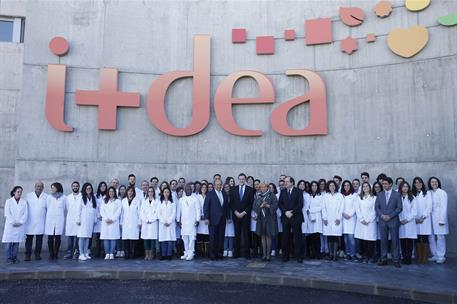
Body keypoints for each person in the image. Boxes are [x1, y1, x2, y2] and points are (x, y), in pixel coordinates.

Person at [375, 177, 402, 268]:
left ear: (390, 184)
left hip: (393, 221)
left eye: (386, 183)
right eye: (383, 184)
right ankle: (383, 259)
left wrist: (390, 216)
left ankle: (396, 259)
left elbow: (399, 208)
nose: (384, 185)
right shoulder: (380, 194)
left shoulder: (397, 194)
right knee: (383, 241)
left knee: (395, 240)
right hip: (382, 221)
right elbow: (377, 207)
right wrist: (382, 216)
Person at [278, 176, 304, 263]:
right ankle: (285, 256)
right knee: (285, 237)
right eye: (285, 181)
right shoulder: (283, 191)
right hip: (285, 217)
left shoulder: (298, 191)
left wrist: (292, 212)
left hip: (296, 217)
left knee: (297, 237)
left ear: (292, 182)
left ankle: (299, 256)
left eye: (287, 181)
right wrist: (285, 212)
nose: (285, 183)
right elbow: (280, 204)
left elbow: (300, 204)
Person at [230, 173, 255, 259]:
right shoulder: (233, 189)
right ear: (238, 179)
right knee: (237, 235)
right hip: (236, 215)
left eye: (243, 179)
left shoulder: (250, 190)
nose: (241, 180)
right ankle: (236, 253)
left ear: (245, 180)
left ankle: (247, 254)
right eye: (240, 179)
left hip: (245, 216)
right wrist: (236, 212)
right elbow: (232, 203)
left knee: (246, 235)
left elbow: (251, 203)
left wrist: (244, 212)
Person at [204, 179, 229, 260]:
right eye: (217, 185)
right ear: (214, 185)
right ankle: (212, 254)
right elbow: (206, 207)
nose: (218, 186)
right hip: (212, 219)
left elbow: (226, 207)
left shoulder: (224, 194)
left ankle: (219, 253)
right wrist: (206, 218)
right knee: (213, 238)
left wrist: (228, 217)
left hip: (222, 220)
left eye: (220, 185)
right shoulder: (210, 194)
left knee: (221, 237)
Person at [2, 186, 28, 264]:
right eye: (18, 192)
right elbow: (7, 213)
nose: (20, 193)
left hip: (19, 226)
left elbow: (26, 214)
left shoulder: (24, 202)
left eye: (21, 192)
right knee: (8, 243)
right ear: (14, 192)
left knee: (16, 243)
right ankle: (8, 258)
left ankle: (14, 257)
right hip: (10, 226)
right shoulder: (8, 201)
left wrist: (20, 222)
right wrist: (13, 222)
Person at [253, 182, 278, 261]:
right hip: (261, 218)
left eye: (264, 187)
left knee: (268, 236)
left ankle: (268, 255)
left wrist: (267, 206)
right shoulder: (258, 196)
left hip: (269, 218)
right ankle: (264, 254)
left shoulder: (272, 195)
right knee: (262, 236)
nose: (262, 188)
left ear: (267, 187)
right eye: (261, 187)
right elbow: (254, 206)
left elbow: (275, 205)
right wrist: (260, 206)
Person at [355, 182, 377, 263]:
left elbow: (374, 210)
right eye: (363, 186)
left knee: (370, 240)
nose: (365, 187)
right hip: (361, 222)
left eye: (367, 186)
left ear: (370, 187)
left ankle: (371, 257)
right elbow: (357, 209)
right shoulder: (359, 198)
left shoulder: (374, 198)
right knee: (363, 240)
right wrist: (361, 219)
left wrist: (369, 220)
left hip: (370, 222)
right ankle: (365, 256)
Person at [24, 181, 47, 261]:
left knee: (39, 239)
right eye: (37, 186)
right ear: (35, 187)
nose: (39, 188)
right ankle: (28, 255)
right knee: (29, 239)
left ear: (43, 188)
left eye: (40, 186)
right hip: (30, 221)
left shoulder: (46, 196)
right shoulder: (28, 196)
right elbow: (24, 208)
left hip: (41, 221)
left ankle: (37, 254)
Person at [428, 177, 448, 264]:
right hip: (430, 219)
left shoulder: (442, 193)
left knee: (440, 237)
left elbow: (444, 207)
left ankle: (441, 256)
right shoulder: (429, 193)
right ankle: (435, 254)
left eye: (435, 181)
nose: (434, 183)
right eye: (432, 182)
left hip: (439, 218)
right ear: (430, 183)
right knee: (431, 237)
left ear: (438, 183)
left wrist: (442, 220)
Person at [322, 181, 344, 261]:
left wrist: (338, 218)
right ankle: (330, 254)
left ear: (336, 186)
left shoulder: (340, 196)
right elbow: (323, 208)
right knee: (329, 236)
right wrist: (324, 218)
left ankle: (335, 254)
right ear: (328, 187)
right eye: (330, 185)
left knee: (335, 236)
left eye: (333, 185)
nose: (332, 187)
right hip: (328, 219)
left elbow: (341, 207)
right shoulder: (325, 196)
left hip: (336, 219)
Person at [177, 183, 200, 261]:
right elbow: (179, 211)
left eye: (189, 189)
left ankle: (191, 253)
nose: (188, 190)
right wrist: (178, 220)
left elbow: (198, 210)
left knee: (192, 238)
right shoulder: (181, 199)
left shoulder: (195, 199)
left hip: (192, 222)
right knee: (184, 238)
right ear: (184, 190)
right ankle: (186, 252)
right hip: (184, 222)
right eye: (187, 189)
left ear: (192, 190)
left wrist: (198, 219)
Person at [412, 177, 432, 264]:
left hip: (425, 220)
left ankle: (424, 257)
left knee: (424, 238)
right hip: (415, 220)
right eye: (416, 183)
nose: (418, 184)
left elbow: (429, 207)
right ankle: (419, 256)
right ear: (414, 184)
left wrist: (423, 217)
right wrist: (415, 218)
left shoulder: (427, 193)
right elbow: (411, 207)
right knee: (417, 238)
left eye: (419, 182)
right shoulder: (412, 194)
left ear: (422, 184)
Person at [45, 182, 66, 260]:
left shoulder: (63, 197)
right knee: (50, 237)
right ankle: (51, 253)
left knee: (58, 237)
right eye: (51, 188)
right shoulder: (49, 197)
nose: (52, 189)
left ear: (57, 188)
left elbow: (63, 208)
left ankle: (56, 253)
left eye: (53, 187)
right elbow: (47, 207)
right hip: (50, 219)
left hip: (59, 219)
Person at [76, 183, 97, 261]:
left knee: (88, 237)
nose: (89, 190)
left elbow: (95, 210)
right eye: (87, 188)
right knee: (82, 237)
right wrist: (78, 219)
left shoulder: (93, 198)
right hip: (83, 220)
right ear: (84, 189)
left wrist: (95, 219)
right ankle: (81, 253)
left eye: (90, 188)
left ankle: (85, 253)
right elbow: (78, 210)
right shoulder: (81, 198)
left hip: (90, 221)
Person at [398, 181, 417, 265]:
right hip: (400, 222)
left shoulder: (412, 197)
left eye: (406, 186)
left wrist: (407, 219)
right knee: (402, 241)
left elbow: (414, 211)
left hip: (409, 222)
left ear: (408, 188)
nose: (405, 188)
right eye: (403, 186)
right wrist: (400, 219)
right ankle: (404, 257)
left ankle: (408, 258)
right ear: (401, 188)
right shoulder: (397, 197)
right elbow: (396, 209)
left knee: (409, 241)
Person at [100, 186, 122, 260]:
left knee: (113, 238)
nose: (111, 193)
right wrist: (106, 219)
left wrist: (112, 219)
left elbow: (118, 211)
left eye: (113, 191)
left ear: (115, 193)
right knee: (106, 238)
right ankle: (107, 253)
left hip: (114, 222)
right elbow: (102, 210)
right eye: (110, 191)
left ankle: (112, 253)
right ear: (108, 192)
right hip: (105, 222)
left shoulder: (118, 201)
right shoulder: (104, 200)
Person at [121, 186, 141, 259]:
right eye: (129, 191)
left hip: (134, 221)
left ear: (133, 192)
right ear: (127, 192)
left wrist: (139, 222)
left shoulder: (137, 200)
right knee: (126, 239)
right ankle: (127, 254)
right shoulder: (123, 200)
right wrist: (121, 222)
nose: (130, 192)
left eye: (131, 191)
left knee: (133, 239)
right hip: (125, 222)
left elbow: (139, 212)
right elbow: (122, 213)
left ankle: (133, 254)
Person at [157, 187, 176, 260]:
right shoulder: (160, 203)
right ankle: (163, 254)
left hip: (170, 224)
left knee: (169, 240)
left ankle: (169, 255)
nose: (166, 193)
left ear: (170, 193)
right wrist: (163, 221)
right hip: (162, 224)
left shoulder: (172, 203)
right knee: (163, 240)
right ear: (162, 193)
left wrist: (169, 221)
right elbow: (159, 214)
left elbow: (173, 213)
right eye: (165, 192)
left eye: (168, 192)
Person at [140, 186, 159, 260]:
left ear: (153, 193)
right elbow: (141, 212)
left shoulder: (157, 201)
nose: (150, 193)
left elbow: (157, 212)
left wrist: (151, 219)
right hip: (145, 222)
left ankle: (151, 254)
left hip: (153, 222)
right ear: (147, 193)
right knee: (146, 238)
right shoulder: (144, 201)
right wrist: (146, 219)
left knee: (152, 239)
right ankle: (146, 254)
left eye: (152, 191)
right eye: (149, 191)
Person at [64, 181, 81, 260]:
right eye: (74, 186)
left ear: (79, 187)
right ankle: (69, 253)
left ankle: (77, 252)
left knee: (78, 237)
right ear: (72, 187)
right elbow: (67, 208)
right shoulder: (68, 197)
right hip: (70, 219)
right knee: (70, 237)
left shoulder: (81, 196)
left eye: (76, 186)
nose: (75, 187)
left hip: (78, 219)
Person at [341, 180, 357, 260]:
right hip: (343, 219)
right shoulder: (341, 195)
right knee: (345, 238)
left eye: (348, 185)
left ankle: (353, 254)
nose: (346, 187)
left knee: (351, 238)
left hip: (351, 219)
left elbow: (355, 207)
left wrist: (349, 215)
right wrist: (343, 214)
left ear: (350, 186)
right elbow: (339, 206)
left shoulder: (354, 195)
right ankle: (347, 253)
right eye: (345, 185)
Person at [307, 181, 322, 259]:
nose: (314, 187)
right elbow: (307, 207)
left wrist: (311, 210)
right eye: (312, 185)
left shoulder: (320, 196)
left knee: (317, 237)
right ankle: (312, 254)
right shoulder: (308, 196)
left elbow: (321, 207)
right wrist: (310, 213)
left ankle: (318, 254)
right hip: (310, 218)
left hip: (318, 218)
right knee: (311, 237)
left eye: (315, 185)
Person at [196, 183, 209, 257]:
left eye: (205, 187)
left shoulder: (209, 196)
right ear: (200, 188)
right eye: (202, 187)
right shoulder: (197, 197)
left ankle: (206, 252)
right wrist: (198, 217)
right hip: (199, 219)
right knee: (199, 235)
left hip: (206, 219)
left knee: (206, 235)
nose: (204, 188)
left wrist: (207, 217)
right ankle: (200, 252)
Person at [223, 183, 235, 258]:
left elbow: (232, 207)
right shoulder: (222, 195)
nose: (227, 188)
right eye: (225, 187)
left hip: (231, 217)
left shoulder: (232, 195)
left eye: (228, 187)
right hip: (223, 218)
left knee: (230, 234)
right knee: (224, 234)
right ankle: (225, 249)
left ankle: (230, 249)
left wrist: (230, 217)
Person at [115, 185, 127, 258]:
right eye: (121, 189)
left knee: (123, 236)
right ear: (119, 191)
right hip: (116, 219)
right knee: (117, 236)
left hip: (125, 220)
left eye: (124, 189)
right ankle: (118, 250)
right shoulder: (117, 199)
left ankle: (122, 250)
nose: (122, 191)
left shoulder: (126, 199)